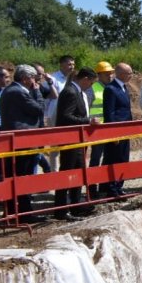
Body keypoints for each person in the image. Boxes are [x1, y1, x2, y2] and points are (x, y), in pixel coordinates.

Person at [0, 65, 45, 222]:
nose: (35, 81)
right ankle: (23, 213)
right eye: (33, 78)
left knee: (18, 177)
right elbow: (39, 109)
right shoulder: (18, 92)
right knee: (21, 177)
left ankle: (16, 212)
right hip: (22, 142)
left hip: (20, 141)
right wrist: (37, 92)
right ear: (25, 79)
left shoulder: (13, 90)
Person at [54, 67, 99, 220]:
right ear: (85, 79)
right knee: (67, 172)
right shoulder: (71, 92)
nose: (90, 86)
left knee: (78, 171)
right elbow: (66, 116)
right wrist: (88, 121)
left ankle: (75, 205)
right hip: (70, 139)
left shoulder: (76, 91)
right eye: (91, 83)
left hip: (77, 139)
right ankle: (61, 209)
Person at [100, 62, 134, 198]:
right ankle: (111, 188)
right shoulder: (111, 89)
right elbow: (109, 113)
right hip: (116, 131)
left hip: (125, 130)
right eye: (129, 73)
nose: (131, 75)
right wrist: (113, 134)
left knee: (123, 158)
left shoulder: (124, 87)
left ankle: (119, 186)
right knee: (114, 158)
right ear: (120, 74)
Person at [44, 55, 74, 172]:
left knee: (69, 144)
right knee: (55, 145)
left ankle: (67, 170)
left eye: (73, 64)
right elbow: (46, 97)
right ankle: (54, 172)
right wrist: (47, 116)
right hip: (54, 116)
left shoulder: (72, 79)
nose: (72, 67)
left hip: (68, 115)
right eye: (69, 64)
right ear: (61, 65)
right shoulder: (53, 79)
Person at [88, 61, 113, 168]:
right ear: (99, 75)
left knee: (110, 156)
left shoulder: (112, 88)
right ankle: (93, 178)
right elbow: (86, 108)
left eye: (111, 73)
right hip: (97, 128)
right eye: (106, 74)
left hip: (110, 126)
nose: (110, 76)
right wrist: (90, 121)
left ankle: (104, 178)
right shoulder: (92, 88)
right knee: (96, 156)